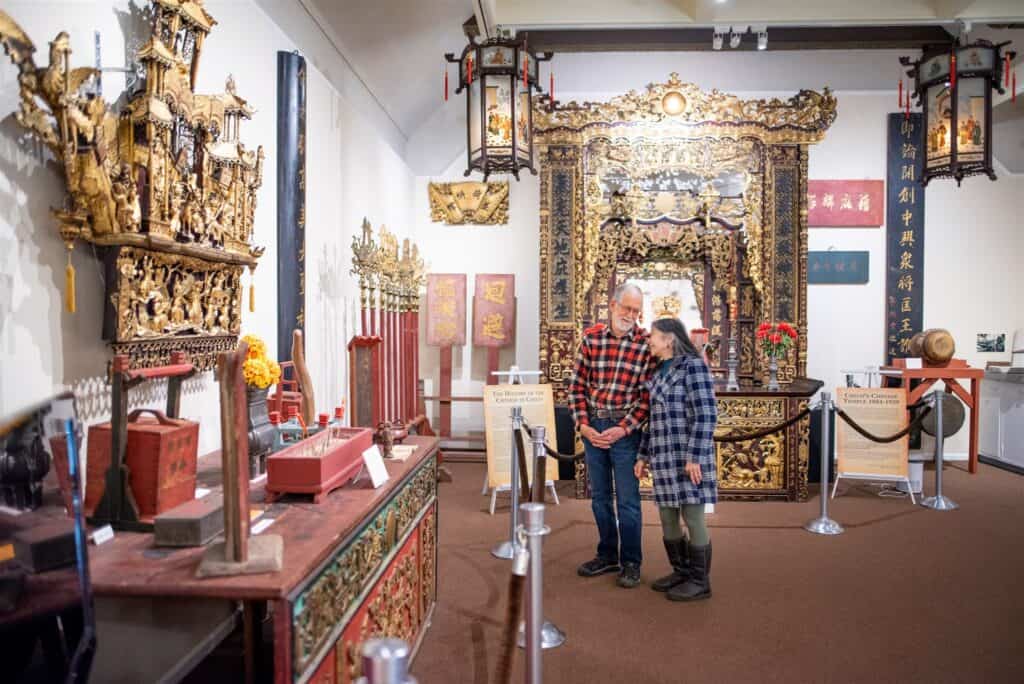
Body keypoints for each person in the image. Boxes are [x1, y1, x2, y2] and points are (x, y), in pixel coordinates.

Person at [569, 282, 655, 588]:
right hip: (594, 428)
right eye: (626, 308)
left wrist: (625, 427)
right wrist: (583, 425)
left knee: (629, 501)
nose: (631, 315)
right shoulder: (591, 338)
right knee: (601, 498)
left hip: (625, 432)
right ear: (612, 305)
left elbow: (648, 396)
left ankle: (631, 561)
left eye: (636, 310)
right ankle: (607, 554)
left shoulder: (646, 344)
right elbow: (577, 386)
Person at [635, 317, 718, 602]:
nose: (649, 341)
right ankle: (681, 570)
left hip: (688, 457)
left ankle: (700, 580)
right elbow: (651, 420)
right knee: (667, 516)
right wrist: (643, 455)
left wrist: (695, 456)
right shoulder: (657, 374)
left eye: (653, 337)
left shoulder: (693, 367)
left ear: (669, 339)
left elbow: (707, 414)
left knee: (692, 516)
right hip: (663, 457)